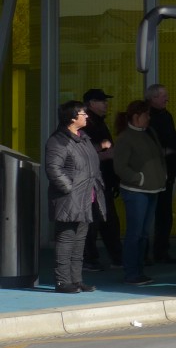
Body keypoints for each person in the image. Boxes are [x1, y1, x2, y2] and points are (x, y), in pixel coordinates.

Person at [44, 101, 103, 294]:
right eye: (82, 113)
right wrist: (69, 189)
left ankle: (76, 280)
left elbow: (91, 165)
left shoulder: (83, 138)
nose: (86, 116)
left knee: (79, 242)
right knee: (66, 240)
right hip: (70, 199)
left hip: (85, 197)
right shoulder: (58, 140)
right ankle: (62, 282)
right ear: (71, 117)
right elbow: (53, 168)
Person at [111, 99, 167, 287]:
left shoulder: (149, 133)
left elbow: (158, 156)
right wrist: (139, 178)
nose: (149, 118)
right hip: (136, 192)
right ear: (136, 117)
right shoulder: (125, 138)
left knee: (143, 233)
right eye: (146, 115)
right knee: (135, 233)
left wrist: (161, 175)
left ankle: (139, 271)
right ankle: (131, 273)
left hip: (153, 189)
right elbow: (120, 167)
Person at [80, 87, 123, 272]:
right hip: (93, 180)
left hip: (102, 179)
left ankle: (113, 257)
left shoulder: (98, 122)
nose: (106, 104)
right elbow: (84, 152)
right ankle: (92, 258)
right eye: (102, 101)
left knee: (106, 220)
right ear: (91, 104)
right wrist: (104, 154)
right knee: (96, 221)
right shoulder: (88, 124)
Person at [146, 83, 176, 265]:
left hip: (167, 171)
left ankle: (161, 250)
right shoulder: (146, 116)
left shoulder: (166, 115)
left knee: (164, 213)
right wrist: (164, 151)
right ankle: (144, 254)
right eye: (162, 96)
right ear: (152, 98)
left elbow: (173, 139)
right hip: (152, 171)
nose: (166, 99)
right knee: (146, 213)